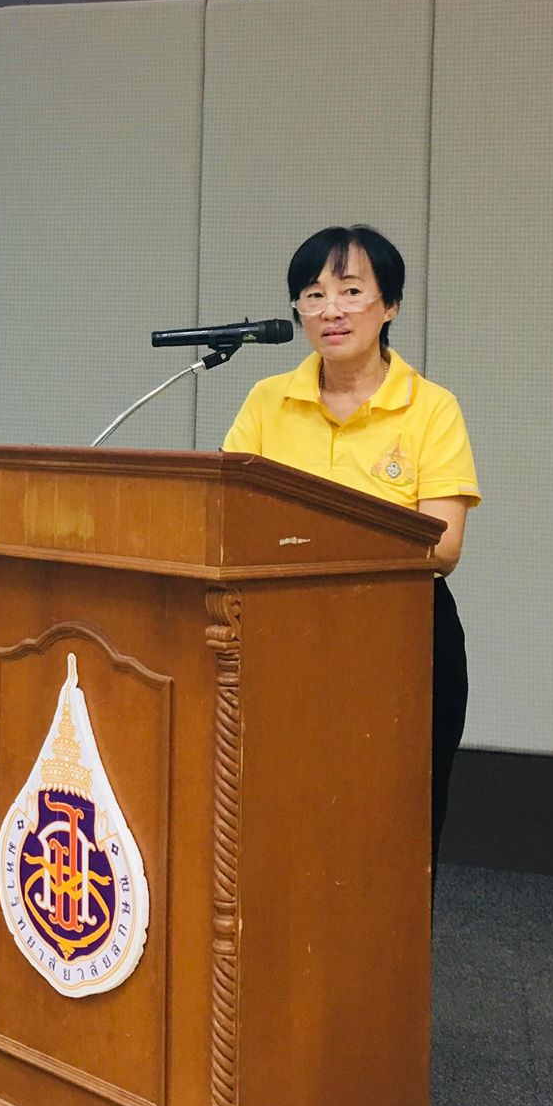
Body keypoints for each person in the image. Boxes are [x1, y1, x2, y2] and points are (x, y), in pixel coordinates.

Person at [220, 224, 479, 874]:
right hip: (279, 633)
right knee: (281, 810)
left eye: (351, 291)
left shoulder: (431, 408)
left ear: (390, 305)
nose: (330, 310)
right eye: (313, 295)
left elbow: (443, 544)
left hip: (401, 634)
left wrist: (311, 539)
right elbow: (226, 515)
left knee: (394, 820)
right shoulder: (267, 401)